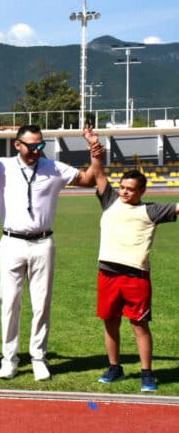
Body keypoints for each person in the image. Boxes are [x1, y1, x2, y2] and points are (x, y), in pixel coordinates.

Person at [0, 123, 101, 380]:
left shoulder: (54, 168)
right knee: (9, 303)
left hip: (43, 242)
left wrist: (94, 153)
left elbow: (89, 179)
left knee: (41, 304)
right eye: (31, 146)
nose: (36, 151)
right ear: (17, 145)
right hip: (11, 242)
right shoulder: (2, 166)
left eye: (40, 146)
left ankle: (38, 357)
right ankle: (9, 359)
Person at [89, 151, 177, 392]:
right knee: (110, 323)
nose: (125, 192)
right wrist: (94, 150)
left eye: (130, 189)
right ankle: (114, 367)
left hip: (135, 276)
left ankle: (147, 373)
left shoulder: (151, 211)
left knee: (139, 325)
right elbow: (98, 173)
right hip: (107, 273)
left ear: (141, 191)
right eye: (122, 187)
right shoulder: (109, 201)